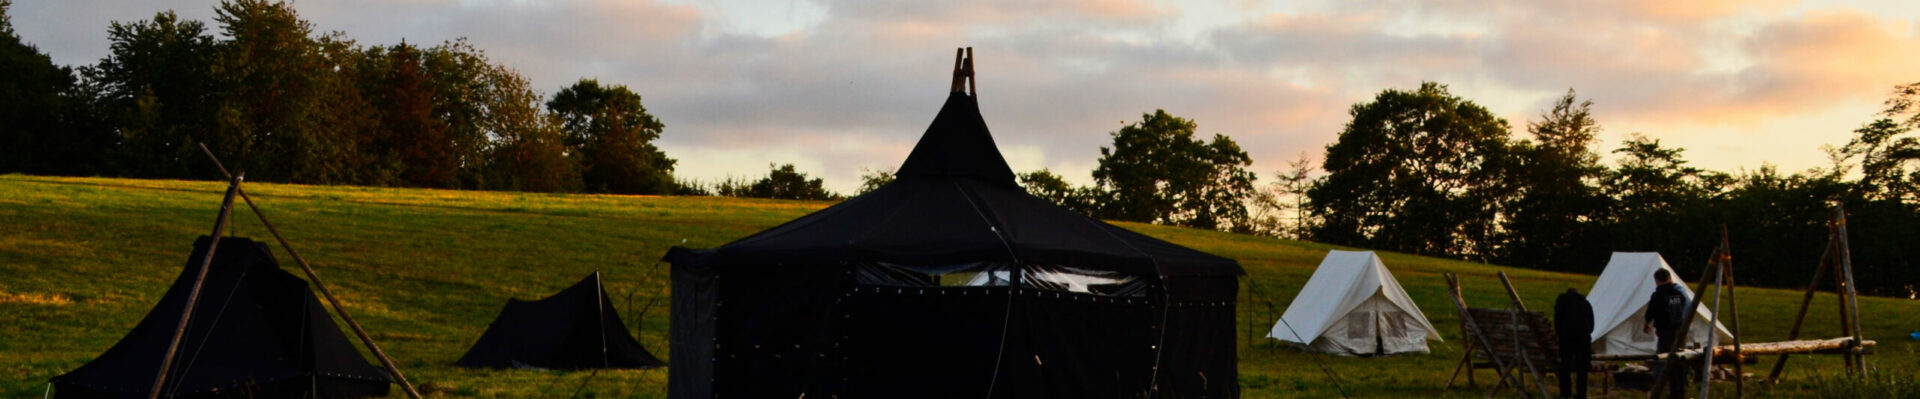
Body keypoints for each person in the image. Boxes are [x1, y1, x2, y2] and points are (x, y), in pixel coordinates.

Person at [1642, 268, 1690, 398]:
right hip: (1680, 332)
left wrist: (1647, 324)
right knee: (1679, 360)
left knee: (1662, 359)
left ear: (1656, 280)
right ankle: (1679, 389)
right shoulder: (1679, 294)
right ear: (1669, 278)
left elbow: (1650, 312)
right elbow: (1684, 307)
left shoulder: (1658, 295)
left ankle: (1658, 386)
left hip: (1665, 332)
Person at [1554, 288, 1594, 399]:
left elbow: (1557, 320)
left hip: (1567, 338)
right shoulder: (1586, 303)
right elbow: (1591, 324)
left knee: (1565, 366)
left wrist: (1560, 334)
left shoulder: (1562, 301)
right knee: (1582, 369)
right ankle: (1581, 394)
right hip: (1584, 338)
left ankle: (1565, 393)